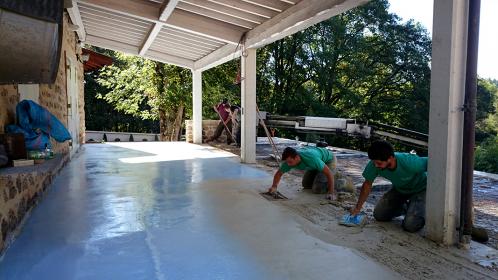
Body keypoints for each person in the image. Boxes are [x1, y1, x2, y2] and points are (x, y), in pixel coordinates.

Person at [350, 140, 428, 233]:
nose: (375, 165)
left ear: (390, 158)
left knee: (410, 226)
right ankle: (409, 208)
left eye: (378, 163)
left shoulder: (411, 162)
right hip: (400, 189)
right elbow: (367, 185)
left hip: (421, 189)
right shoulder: (374, 164)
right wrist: (358, 208)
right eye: (374, 162)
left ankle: (422, 210)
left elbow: (434, 163)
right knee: (379, 215)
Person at [268, 146, 337, 200]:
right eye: (287, 162)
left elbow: (329, 173)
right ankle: (320, 172)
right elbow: (279, 173)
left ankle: (336, 178)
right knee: (306, 185)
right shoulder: (289, 160)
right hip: (314, 165)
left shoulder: (310, 158)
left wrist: (331, 193)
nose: (288, 165)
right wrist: (274, 186)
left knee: (317, 189)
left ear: (297, 157)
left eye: (290, 162)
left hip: (329, 160)